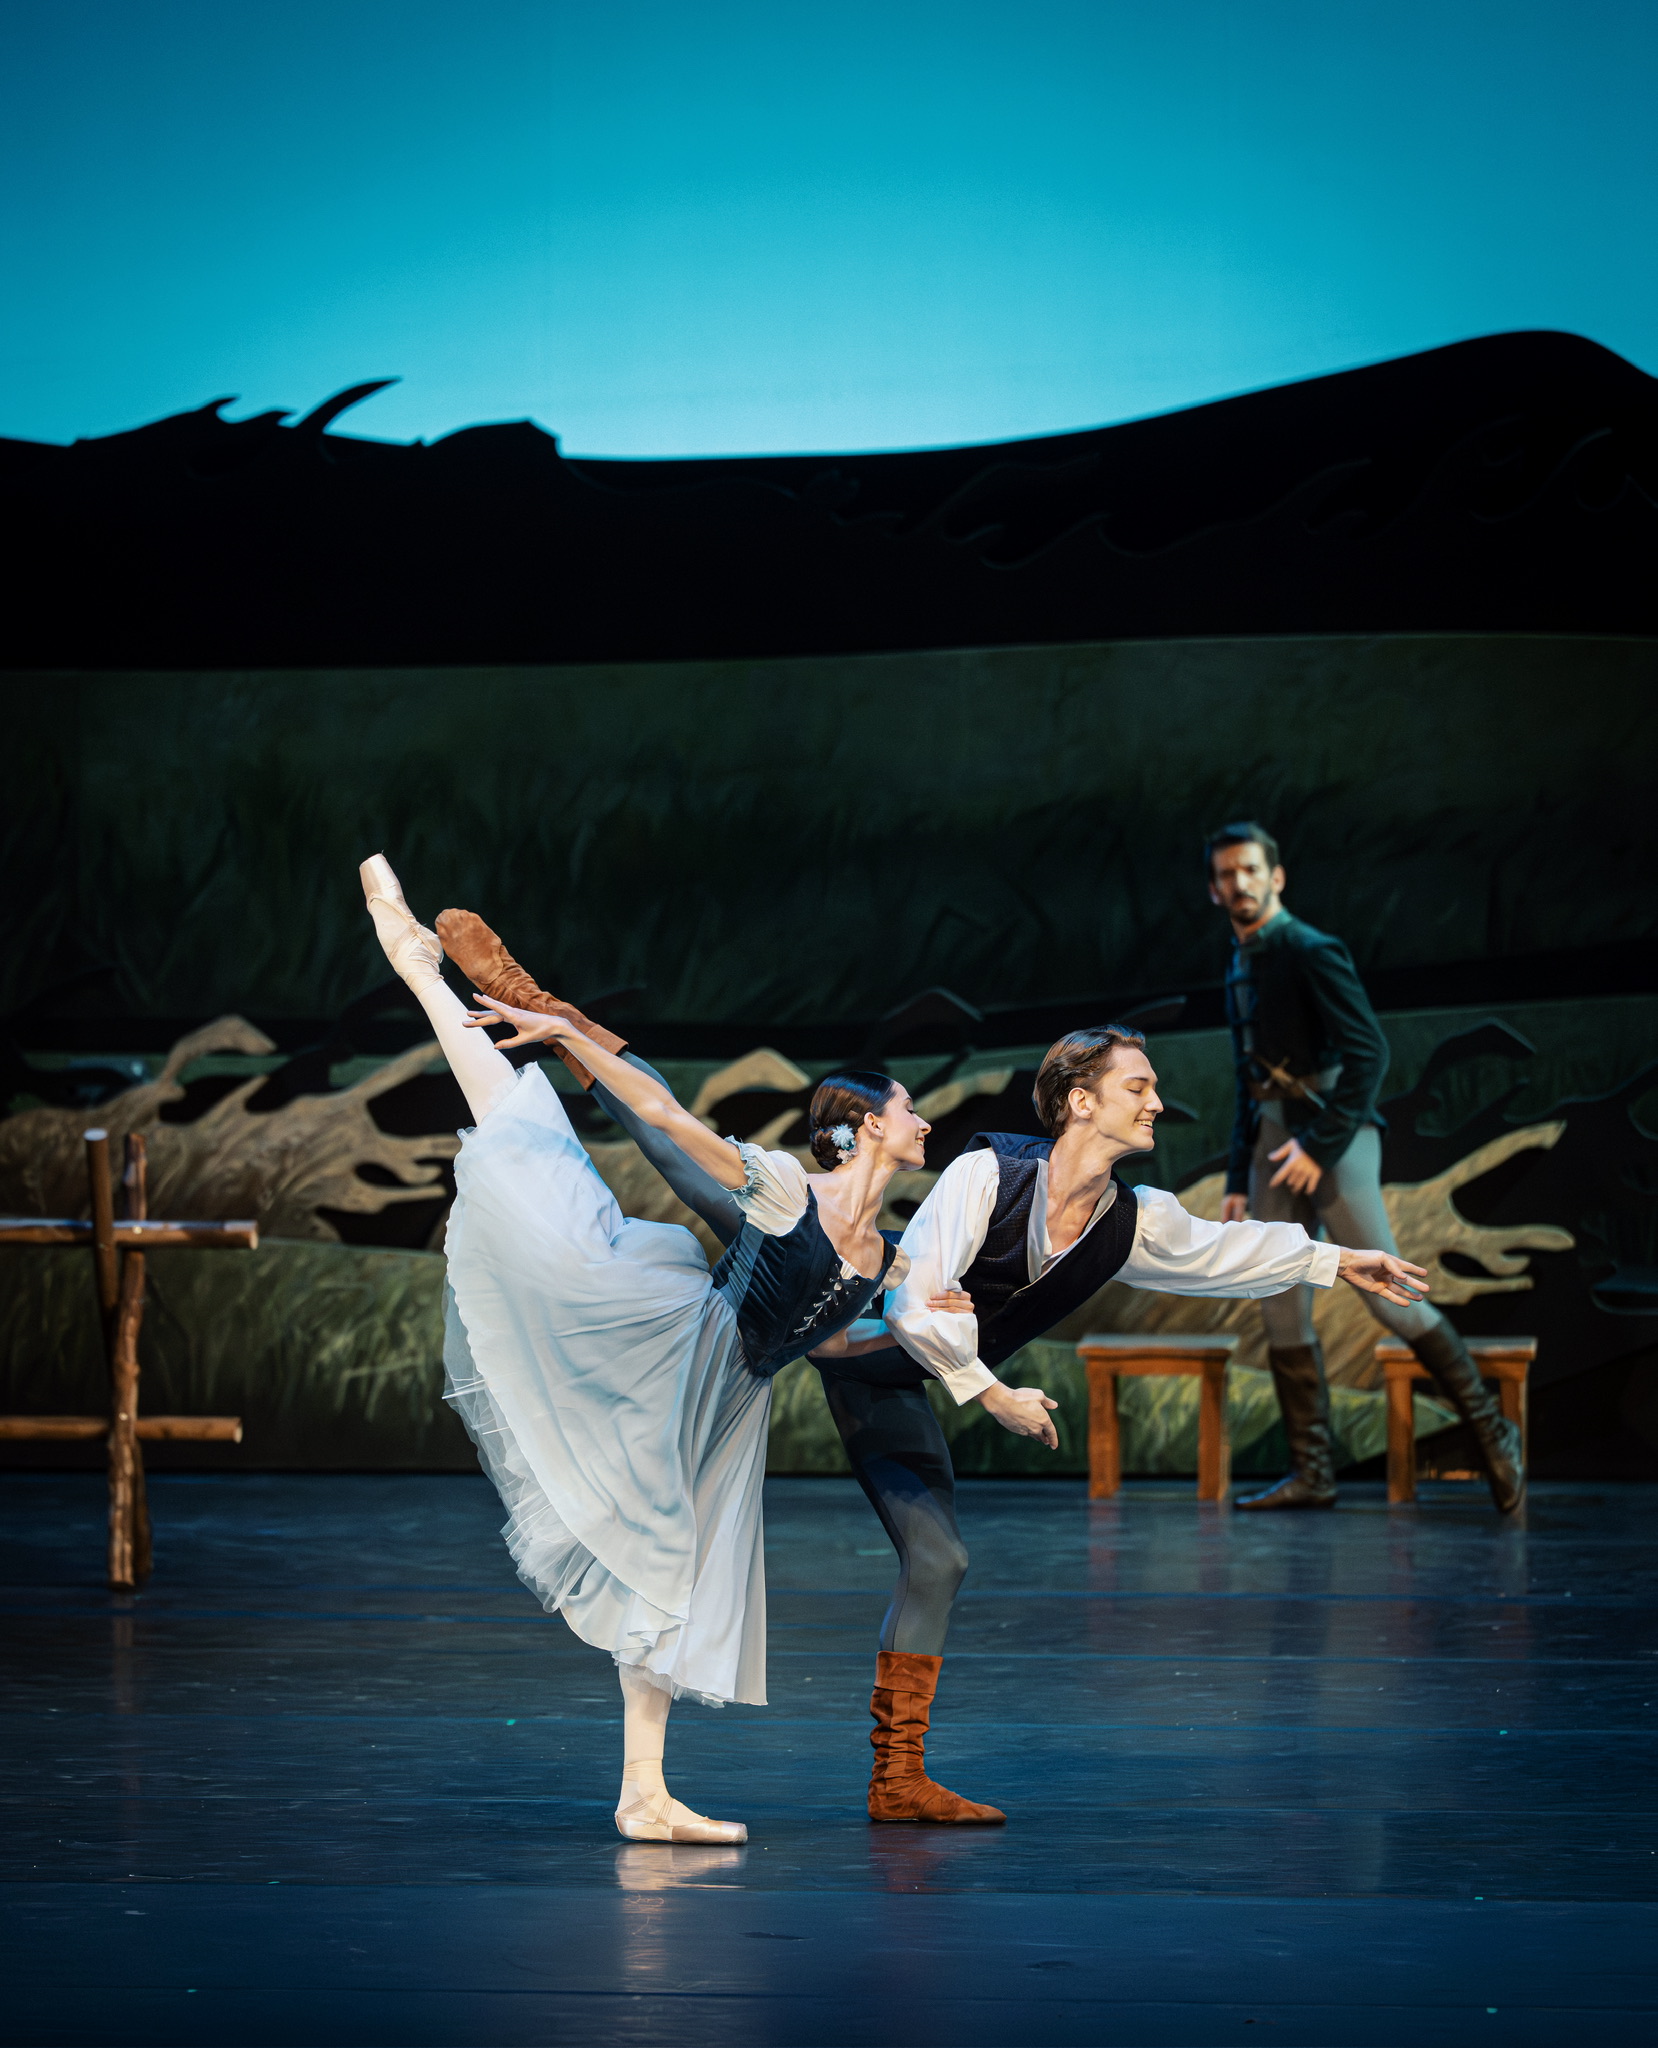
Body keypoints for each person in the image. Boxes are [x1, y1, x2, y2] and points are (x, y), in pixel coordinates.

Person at [434, 911, 1426, 1824]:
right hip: (853, 1322)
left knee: (940, 1558)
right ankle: (562, 1022)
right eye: (1138, 1086)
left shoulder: (1134, 1219)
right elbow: (916, 1296)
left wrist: (1341, 1260)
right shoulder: (985, 1172)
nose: (1158, 1102)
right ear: (1079, 1100)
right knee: (683, 1151)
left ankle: (895, 1776)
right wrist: (985, 1388)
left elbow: (1225, 1252)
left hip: (884, 1359)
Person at [360, 857, 938, 1846]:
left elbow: (840, 1332)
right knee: (528, 1140)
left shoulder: (885, 1249)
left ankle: (643, 1792)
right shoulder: (789, 1189)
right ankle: (421, 968)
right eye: (908, 1108)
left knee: (673, 1578)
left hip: (731, 1401)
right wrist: (565, 1031)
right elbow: (666, 1119)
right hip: (677, 1348)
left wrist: (960, 1359)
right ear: (864, 1131)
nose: (923, 1120)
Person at [1205, 820, 1525, 1513]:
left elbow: (1370, 1052)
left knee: (1389, 1294)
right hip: (1271, 1141)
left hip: (1333, 1137)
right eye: (1227, 874)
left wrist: (1317, 1144)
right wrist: (1237, 1176)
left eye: (1251, 870)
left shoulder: (1310, 948)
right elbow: (1246, 1077)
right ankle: (1313, 1473)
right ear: (1215, 888)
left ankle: (1495, 1433)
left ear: (1276, 876)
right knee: (1279, 1303)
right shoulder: (1239, 958)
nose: (1240, 884)